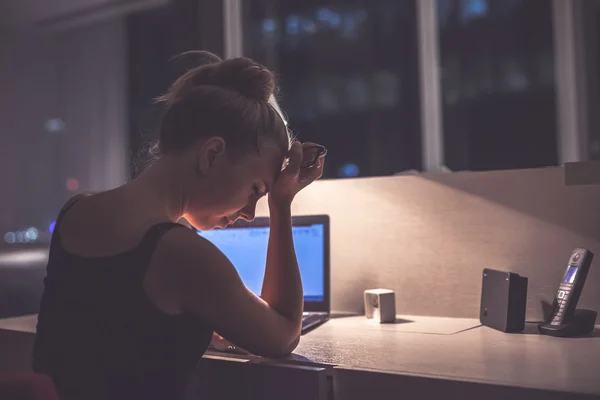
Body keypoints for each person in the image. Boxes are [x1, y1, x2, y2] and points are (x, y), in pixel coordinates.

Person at [32, 51, 326, 400]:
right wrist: (281, 204)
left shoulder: (76, 211)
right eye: (255, 190)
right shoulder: (179, 253)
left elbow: (107, 328)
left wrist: (190, 321)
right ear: (211, 155)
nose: (249, 212)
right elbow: (283, 336)